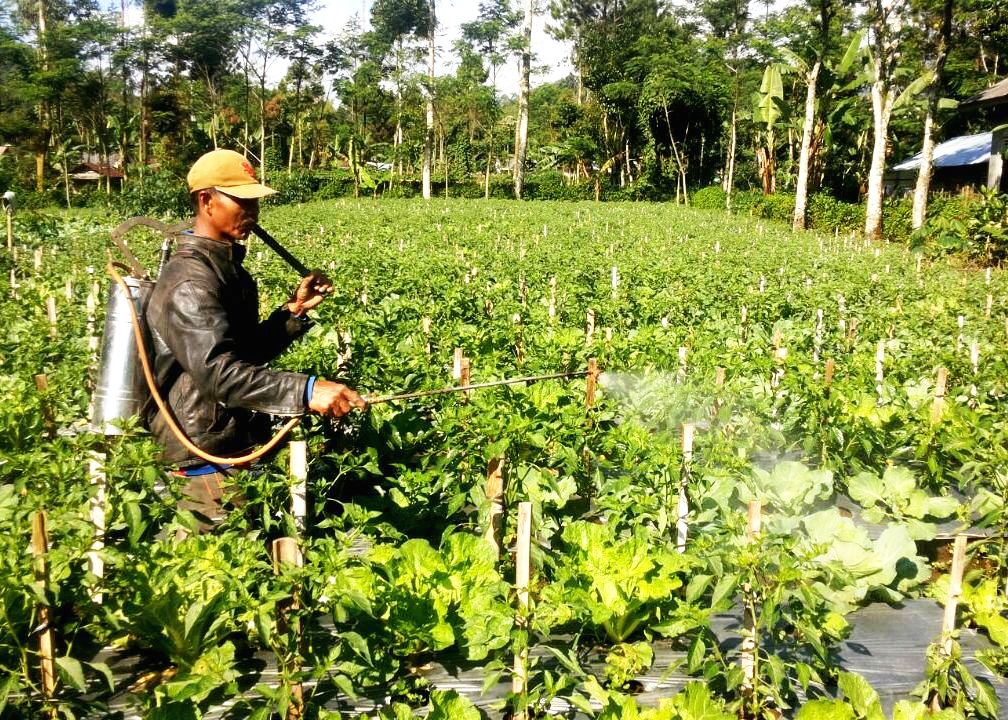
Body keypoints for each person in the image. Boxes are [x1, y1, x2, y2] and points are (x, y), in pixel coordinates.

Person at [144, 148, 365, 529]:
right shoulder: (190, 282)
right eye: (241, 201)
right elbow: (220, 374)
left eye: (255, 203)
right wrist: (307, 390)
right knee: (220, 573)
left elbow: (242, 355)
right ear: (206, 201)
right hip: (202, 455)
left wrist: (293, 312)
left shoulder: (227, 270)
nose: (252, 213)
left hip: (230, 441)